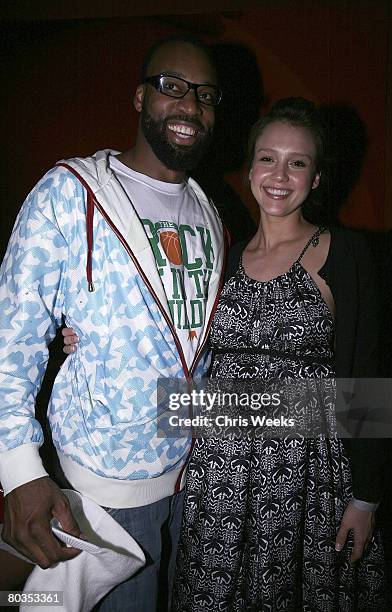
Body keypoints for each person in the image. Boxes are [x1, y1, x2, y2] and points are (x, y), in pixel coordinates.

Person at [0, 36, 226, 611]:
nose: (189, 106)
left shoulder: (210, 209)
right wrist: (20, 470)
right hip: (103, 483)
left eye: (205, 95)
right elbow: (12, 335)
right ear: (138, 97)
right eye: (171, 86)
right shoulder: (71, 193)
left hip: (195, 474)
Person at [169, 98, 385, 611]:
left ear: (316, 177)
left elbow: (371, 382)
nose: (280, 175)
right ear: (249, 170)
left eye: (298, 162)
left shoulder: (344, 253)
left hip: (305, 479)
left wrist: (367, 496)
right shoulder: (222, 255)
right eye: (268, 158)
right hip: (219, 478)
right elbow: (176, 339)